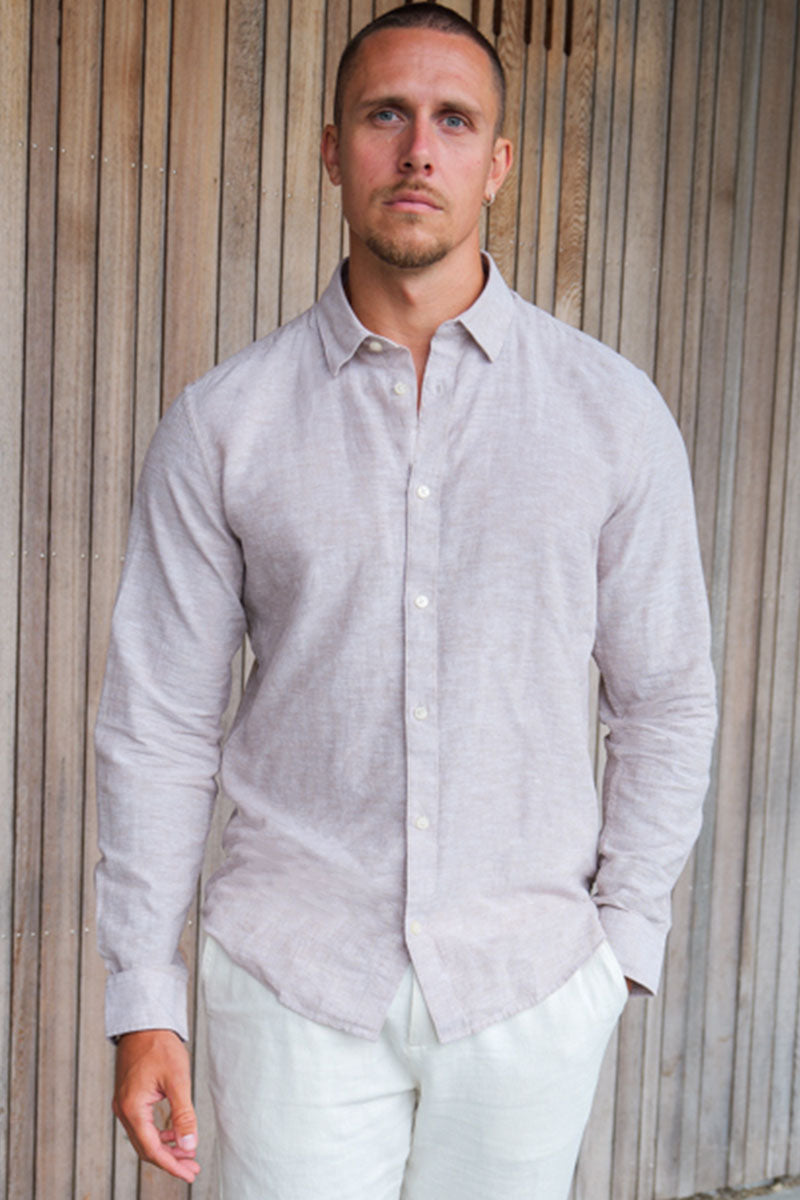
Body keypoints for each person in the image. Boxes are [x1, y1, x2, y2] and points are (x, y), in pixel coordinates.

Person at [95, 5, 717, 1198]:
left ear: (498, 161)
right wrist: (144, 997)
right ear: (333, 150)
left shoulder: (610, 415)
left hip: (527, 986)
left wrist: (621, 943)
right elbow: (158, 723)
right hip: (293, 979)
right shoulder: (225, 425)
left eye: (453, 121)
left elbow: (665, 698)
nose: (418, 150)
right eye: (385, 115)